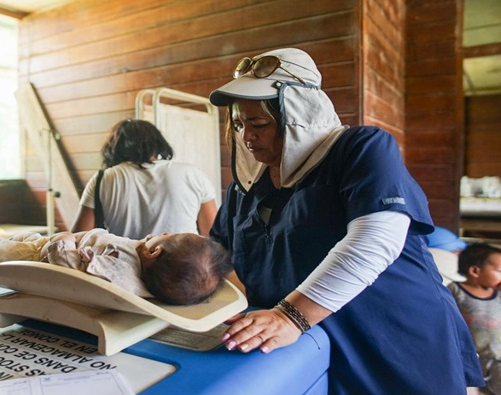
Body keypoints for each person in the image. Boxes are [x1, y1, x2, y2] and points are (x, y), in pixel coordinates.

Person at [207, 47, 484, 393]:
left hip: (392, 339)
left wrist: (289, 315)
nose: (247, 137)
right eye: (239, 124)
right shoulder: (244, 190)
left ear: (299, 113)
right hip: (315, 352)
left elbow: (377, 239)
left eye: (259, 124)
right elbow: (218, 253)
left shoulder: (360, 149)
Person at [0, 228, 232, 306]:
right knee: (16, 240)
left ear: (155, 251)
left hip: (39, 253)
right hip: (50, 242)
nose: (164, 231)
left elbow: (68, 269)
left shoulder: (119, 269)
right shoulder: (147, 278)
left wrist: (64, 240)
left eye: (169, 235)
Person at [71, 119, 217, 239]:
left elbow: (78, 237)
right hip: (184, 266)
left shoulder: (103, 179)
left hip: (127, 266)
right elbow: (212, 234)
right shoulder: (192, 173)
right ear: (157, 142)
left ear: (116, 147)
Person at [448, 243, 501, 395]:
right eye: (499, 271)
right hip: (473, 357)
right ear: (475, 271)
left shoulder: (498, 294)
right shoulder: (455, 290)